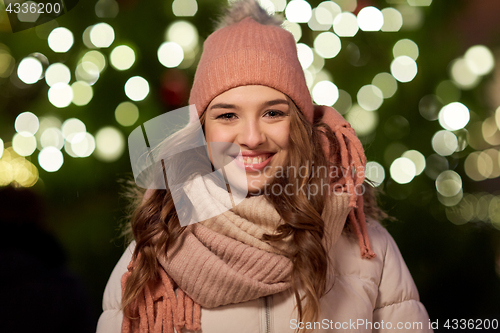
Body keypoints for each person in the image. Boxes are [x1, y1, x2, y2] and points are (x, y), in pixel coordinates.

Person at [96, 1, 432, 332]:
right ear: (200, 132)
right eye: (227, 115)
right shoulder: (154, 252)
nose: (253, 137)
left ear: (300, 125)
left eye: (273, 113)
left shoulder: (369, 252)